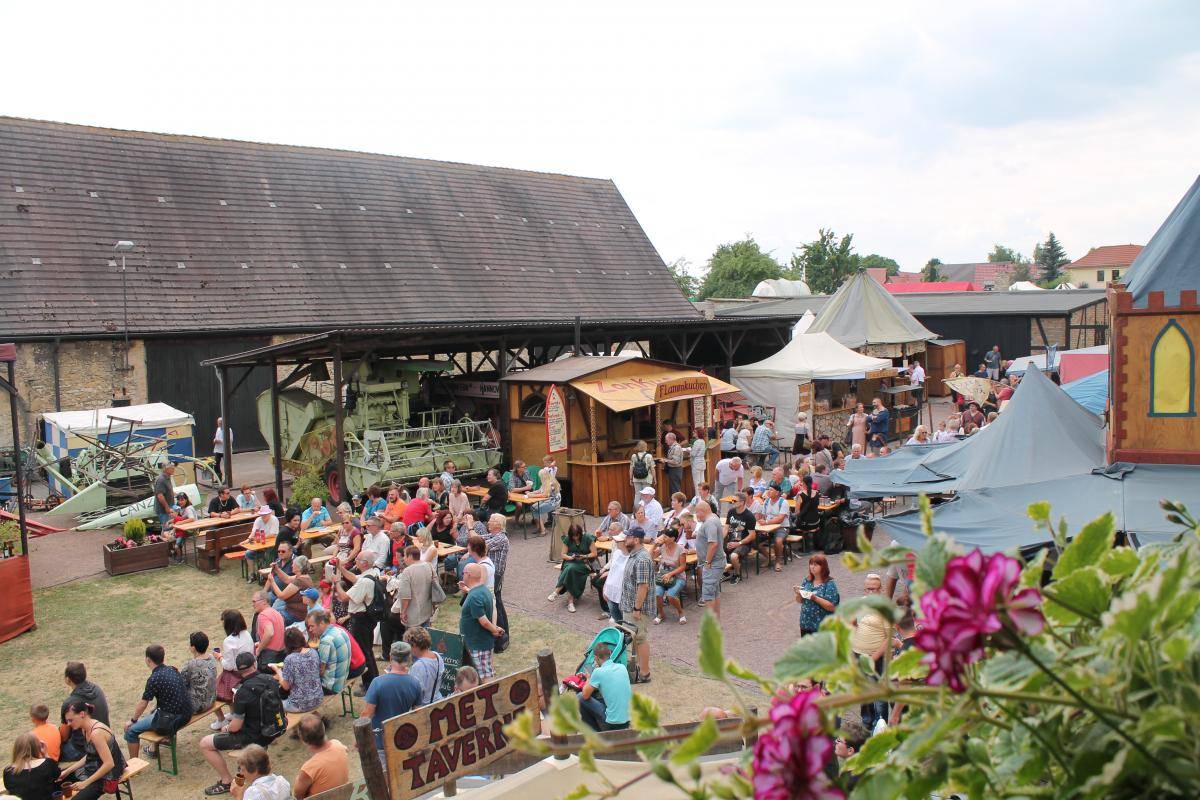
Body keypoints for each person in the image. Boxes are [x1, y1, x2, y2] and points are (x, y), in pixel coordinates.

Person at [199, 651, 286, 796]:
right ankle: (243, 772)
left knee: (205, 743)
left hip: (253, 736)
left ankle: (226, 781)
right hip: (273, 730)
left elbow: (235, 726)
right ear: (254, 664)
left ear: (239, 671)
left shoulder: (241, 692)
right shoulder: (270, 680)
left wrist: (226, 727)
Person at [122, 644, 193, 759]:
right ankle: (155, 748)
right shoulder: (173, 670)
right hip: (187, 714)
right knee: (154, 712)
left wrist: (132, 720)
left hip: (172, 720)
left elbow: (144, 703)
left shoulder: (154, 679)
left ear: (148, 659)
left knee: (131, 731)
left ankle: (134, 764)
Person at [362, 642, 423, 764]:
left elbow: (367, 715)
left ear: (390, 657)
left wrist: (360, 738)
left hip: (381, 742)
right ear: (409, 659)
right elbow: (418, 714)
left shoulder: (377, 683)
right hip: (403, 740)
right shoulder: (415, 683)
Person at [58, 700, 124, 800]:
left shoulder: (96, 733)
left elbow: (109, 764)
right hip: (95, 767)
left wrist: (85, 783)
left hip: (108, 775)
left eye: (71, 720)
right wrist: (68, 771)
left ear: (82, 714)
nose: (68, 724)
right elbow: (91, 755)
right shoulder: (84, 729)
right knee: (57, 780)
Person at [336, 552, 382, 692]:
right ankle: (373, 680)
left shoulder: (364, 582)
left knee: (364, 652)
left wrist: (336, 583)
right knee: (367, 650)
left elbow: (344, 597)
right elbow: (355, 578)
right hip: (367, 618)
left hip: (361, 619)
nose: (355, 560)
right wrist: (340, 568)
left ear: (364, 563)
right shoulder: (373, 573)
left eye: (358, 559)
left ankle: (369, 685)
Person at [851, 573, 891, 729]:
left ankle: (881, 723)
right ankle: (867, 721)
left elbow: (889, 638)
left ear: (881, 589)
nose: (871, 592)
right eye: (868, 589)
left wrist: (874, 657)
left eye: (874, 589)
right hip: (858, 653)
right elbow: (853, 625)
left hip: (876, 656)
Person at [619, 529, 654, 683]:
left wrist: (637, 609)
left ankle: (645, 674)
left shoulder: (642, 559)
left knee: (640, 639)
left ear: (636, 540)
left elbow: (643, 586)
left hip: (638, 609)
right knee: (635, 638)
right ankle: (638, 667)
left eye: (628, 537)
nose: (625, 539)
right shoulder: (635, 555)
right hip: (630, 606)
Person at [459, 563, 504, 680]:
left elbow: (483, 621)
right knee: (482, 675)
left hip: (477, 644)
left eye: (463, 573)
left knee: (484, 679)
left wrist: (495, 630)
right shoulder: (483, 590)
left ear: (468, 575)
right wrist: (495, 628)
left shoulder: (474, 596)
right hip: (480, 642)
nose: (462, 575)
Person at [212, 609, 254, 730]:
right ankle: (233, 712)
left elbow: (229, 666)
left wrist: (219, 657)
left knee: (216, 687)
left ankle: (222, 719)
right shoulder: (247, 634)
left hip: (237, 674)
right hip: (250, 668)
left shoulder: (229, 641)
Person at [59, 663, 109, 763]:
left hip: (83, 749)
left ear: (68, 679)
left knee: (51, 751)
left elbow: (64, 736)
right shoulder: (97, 689)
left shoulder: (69, 704)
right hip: (105, 740)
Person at [578, 641, 632, 732]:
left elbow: (585, 695)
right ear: (610, 653)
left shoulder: (598, 672)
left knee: (580, 697)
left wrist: (589, 678)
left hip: (612, 723)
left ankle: (595, 733)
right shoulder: (622, 667)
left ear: (596, 658)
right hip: (628, 719)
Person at [292, 715, 349, 799]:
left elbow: (298, 795)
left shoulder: (309, 768)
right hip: (344, 794)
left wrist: (298, 779)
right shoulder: (338, 745)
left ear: (302, 738)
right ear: (323, 728)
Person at [270, 628, 323, 713]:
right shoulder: (313, 652)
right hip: (318, 699)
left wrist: (277, 670)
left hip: (299, 705)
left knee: (272, 702)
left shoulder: (290, 659)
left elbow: (286, 686)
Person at [548, 523, 595, 613]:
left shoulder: (588, 538)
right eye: (573, 536)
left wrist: (584, 556)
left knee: (570, 570)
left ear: (580, 533)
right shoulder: (568, 539)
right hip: (570, 561)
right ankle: (570, 603)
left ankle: (556, 592)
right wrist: (570, 557)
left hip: (584, 563)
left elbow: (594, 553)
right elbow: (563, 554)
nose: (575, 538)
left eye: (577, 536)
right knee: (571, 569)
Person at [393, 545, 437, 630]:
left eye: (405, 556)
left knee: (413, 636)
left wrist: (403, 612)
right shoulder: (429, 566)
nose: (404, 559)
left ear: (410, 556)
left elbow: (405, 596)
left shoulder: (407, 571)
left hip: (413, 614)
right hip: (427, 610)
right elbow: (435, 586)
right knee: (425, 634)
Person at [693, 502, 725, 619]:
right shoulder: (713, 518)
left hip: (712, 564)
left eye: (697, 512)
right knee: (714, 593)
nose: (696, 516)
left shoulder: (710, 522)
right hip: (715, 563)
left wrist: (707, 562)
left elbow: (713, 544)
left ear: (702, 511)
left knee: (708, 596)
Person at [3, 732, 58, 800]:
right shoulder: (47, 764)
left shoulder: (8, 771)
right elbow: (57, 774)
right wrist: (45, 754)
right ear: (37, 747)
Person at [795, 554, 840, 635]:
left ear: (823, 567)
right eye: (811, 564)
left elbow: (832, 607)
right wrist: (799, 594)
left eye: (815, 565)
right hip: (806, 623)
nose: (812, 567)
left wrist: (814, 598)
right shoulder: (807, 580)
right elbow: (799, 601)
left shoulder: (829, 584)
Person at [651, 527, 686, 625]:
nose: (663, 538)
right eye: (664, 536)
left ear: (673, 538)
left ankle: (681, 612)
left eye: (666, 537)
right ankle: (661, 613)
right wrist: (655, 544)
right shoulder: (662, 547)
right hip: (663, 576)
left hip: (678, 577)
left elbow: (683, 567)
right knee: (657, 594)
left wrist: (670, 574)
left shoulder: (681, 549)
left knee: (670, 596)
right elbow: (651, 557)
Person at [593, 530, 628, 622]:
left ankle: (611, 613)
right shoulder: (617, 553)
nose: (616, 541)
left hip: (623, 593)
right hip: (613, 590)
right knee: (596, 581)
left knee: (623, 622)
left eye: (619, 541)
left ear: (626, 542)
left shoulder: (633, 558)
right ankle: (608, 611)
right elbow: (613, 568)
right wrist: (606, 588)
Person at [405, 626, 446, 705]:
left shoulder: (418, 666)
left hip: (424, 706)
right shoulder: (437, 656)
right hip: (438, 701)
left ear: (414, 645)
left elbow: (414, 693)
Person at [724, 492, 757, 584]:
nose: (732, 502)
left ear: (742, 502)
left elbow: (752, 535)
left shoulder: (749, 516)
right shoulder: (731, 512)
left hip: (744, 543)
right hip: (731, 541)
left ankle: (737, 574)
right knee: (716, 550)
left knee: (733, 556)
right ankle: (725, 572)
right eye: (732, 500)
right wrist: (720, 540)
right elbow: (726, 528)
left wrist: (738, 543)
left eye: (734, 501)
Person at [182, 631, 219, 715]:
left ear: (193, 648)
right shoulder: (212, 658)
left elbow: (181, 684)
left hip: (197, 707)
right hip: (212, 700)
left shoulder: (190, 665)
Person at [272, 555, 315, 625]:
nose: (291, 566)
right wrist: (277, 569)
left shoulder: (300, 581)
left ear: (298, 567)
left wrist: (272, 581)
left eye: (293, 564)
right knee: (272, 611)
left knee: (272, 617)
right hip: (293, 609)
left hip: (296, 614)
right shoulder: (304, 577)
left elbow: (281, 596)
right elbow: (287, 579)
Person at [251, 592, 286, 671]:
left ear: (264, 601)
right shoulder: (276, 613)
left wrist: (259, 649)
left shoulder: (263, 615)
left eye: (254, 601)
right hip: (281, 654)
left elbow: (269, 633)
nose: (253, 605)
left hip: (269, 656)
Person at [529, 466, 561, 536]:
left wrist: (531, 495)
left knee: (536, 509)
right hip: (548, 500)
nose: (539, 478)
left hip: (553, 502)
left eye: (540, 477)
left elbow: (544, 495)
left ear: (543, 476)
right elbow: (540, 490)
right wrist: (531, 493)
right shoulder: (546, 481)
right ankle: (539, 527)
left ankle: (543, 530)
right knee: (533, 507)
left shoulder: (551, 483)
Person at [153, 463, 176, 531]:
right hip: (163, 510)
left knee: (169, 527)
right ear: (166, 469)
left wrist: (178, 495)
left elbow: (169, 491)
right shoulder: (161, 479)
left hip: (169, 507)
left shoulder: (168, 478)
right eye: (172, 468)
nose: (174, 469)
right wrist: (167, 507)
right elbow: (160, 495)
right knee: (167, 528)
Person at [689, 428, 707, 494]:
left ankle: (698, 497)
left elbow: (693, 454)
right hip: (702, 462)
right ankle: (704, 495)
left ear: (698, 433)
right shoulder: (703, 441)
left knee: (697, 483)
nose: (693, 432)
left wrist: (689, 451)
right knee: (702, 481)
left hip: (696, 463)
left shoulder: (697, 442)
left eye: (695, 432)